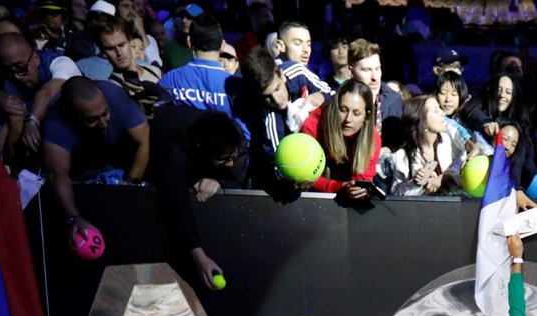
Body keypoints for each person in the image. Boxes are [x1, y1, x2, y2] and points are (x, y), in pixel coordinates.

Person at [40, 76, 149, 247]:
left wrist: (129, 185)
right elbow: (57, 174)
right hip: (81, 172)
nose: (103, 123)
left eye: (105, 113)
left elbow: (143, 141)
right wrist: (74, 218)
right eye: (91, 119)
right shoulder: (56, 124)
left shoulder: (114, 96)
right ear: (70, 113)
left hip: (118, 158)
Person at [147, 105, 247, 288]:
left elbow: (239, 164)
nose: (231, 163)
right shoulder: (173, 149)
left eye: (232, 156)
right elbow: (175, 202)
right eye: (223, 160)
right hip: (156, 144)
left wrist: (221, 182)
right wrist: (200, 258)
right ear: (201, 150)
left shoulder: (234, 133)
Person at [240, 47, 323, 190]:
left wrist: (322, 96)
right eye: (267, 96)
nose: (277, 100)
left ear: (282, 75)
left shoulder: (297, 70)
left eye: (277, 88)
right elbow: (279, 164)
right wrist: (294, 184)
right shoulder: (270, 122)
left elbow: (332, 94)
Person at [158, 12, 247, 139]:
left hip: (183, 154)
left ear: (190, 42)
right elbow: (246, 136)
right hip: (224, 155)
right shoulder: (237, 86)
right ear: (222, 45)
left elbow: (157, 119)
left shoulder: (170, 79)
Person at [0, 28, 81, 153]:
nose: (17, 76)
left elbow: (47, 92)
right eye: (9, 70)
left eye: (21, 68)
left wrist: (32, 122)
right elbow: (17, 112)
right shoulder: (11, 78)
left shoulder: (61, 63)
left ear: (35, 58)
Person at [299, 78, 380, 200]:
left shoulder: (372, 138)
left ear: (366, 116)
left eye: (356, 113)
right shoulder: (313, 126)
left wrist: (357, 190)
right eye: (343, 110)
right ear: (334, 108)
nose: (348, 119)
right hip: (312, 196)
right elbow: (306, 177)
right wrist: (339, 187)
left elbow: (363, 181)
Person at [385, 93, 466, 196]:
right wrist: (414, 183)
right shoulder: (403, 156)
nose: (443, 113)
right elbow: (396, 194)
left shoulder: (448, 141)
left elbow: (462, 162)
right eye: (436, 111)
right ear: (422, 122)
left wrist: (445, 176)